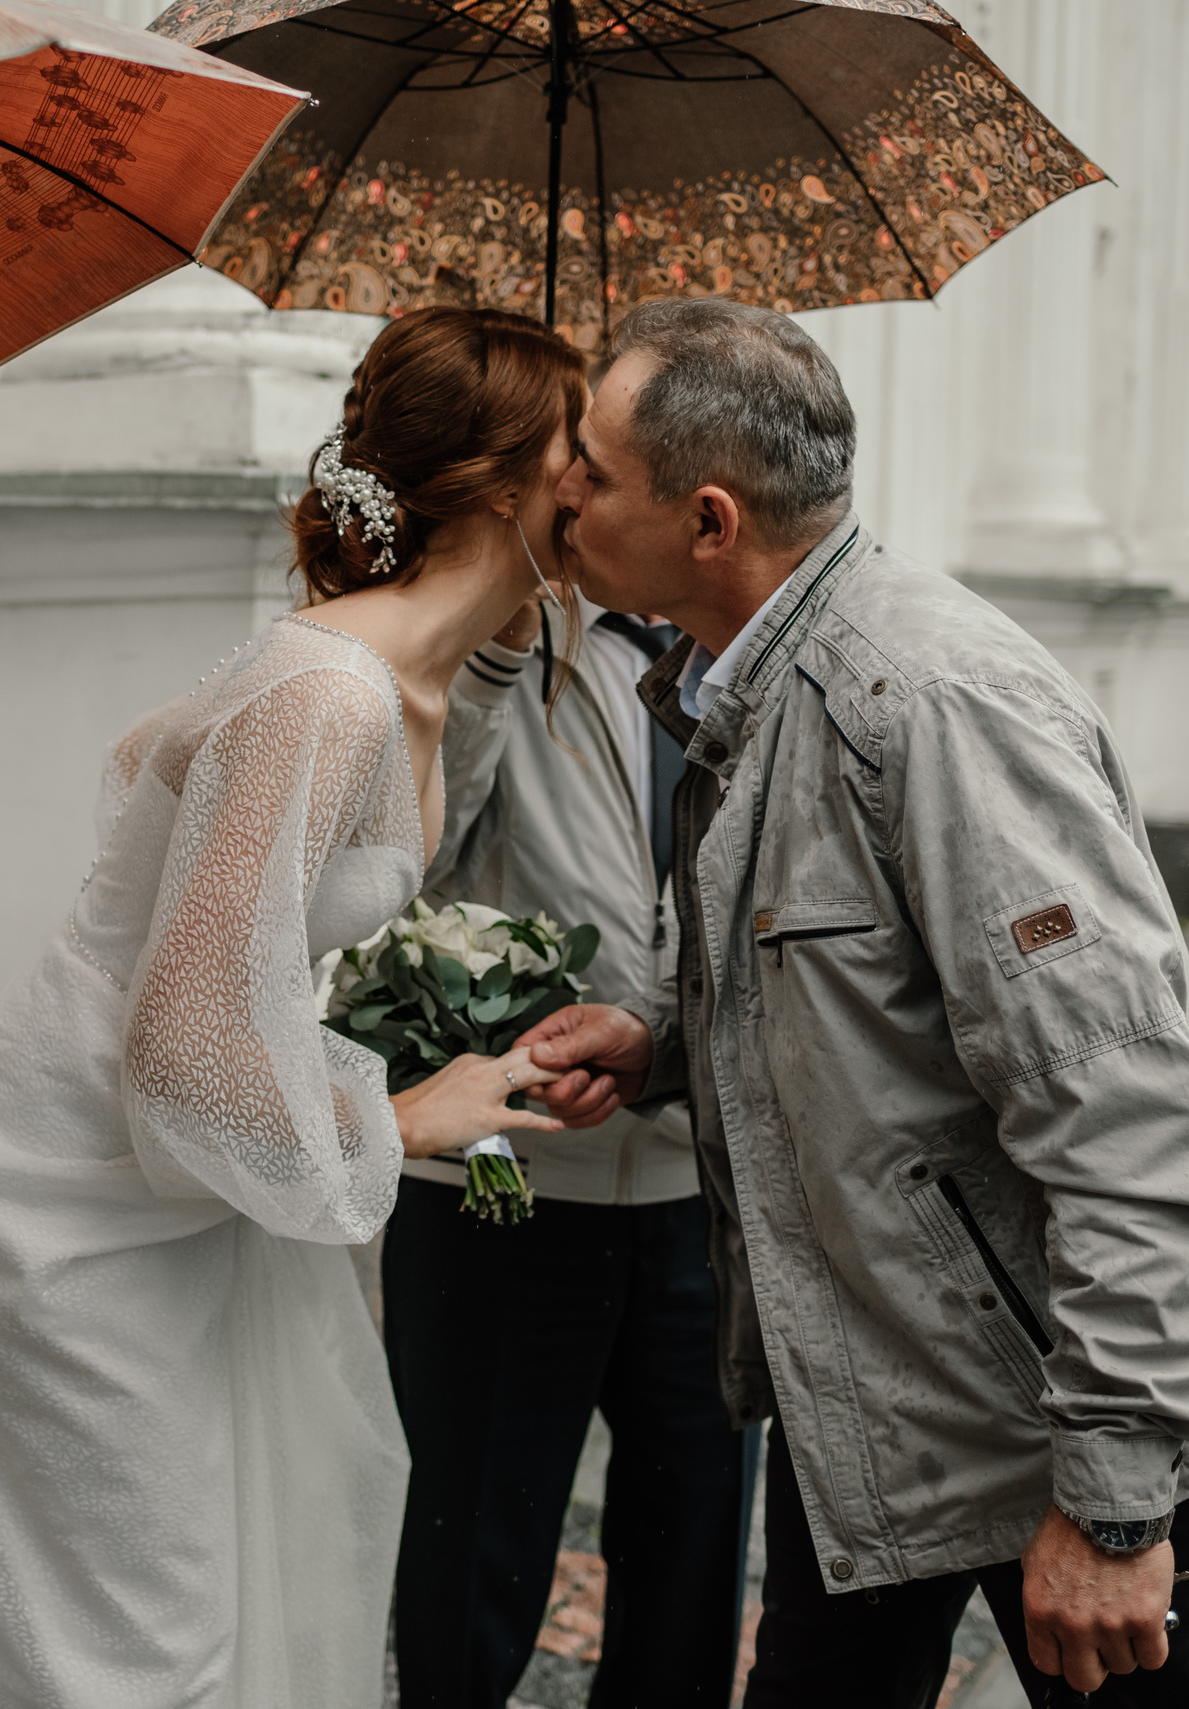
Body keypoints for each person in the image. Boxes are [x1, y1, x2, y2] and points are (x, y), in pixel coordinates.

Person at [516, 298, 1189, 1709]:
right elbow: (863, 1004)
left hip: (1053, 1417)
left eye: (589, 460)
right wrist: (665, 1049)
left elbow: (1136, 1113)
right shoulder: (740, 686)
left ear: (707, 521)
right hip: (880, 1404)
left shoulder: (933, 704)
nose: (558, 484)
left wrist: (1118, 1498)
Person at [0, 308, 587, 1705]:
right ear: (511, 481)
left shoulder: (409, 684)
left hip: (191, 1181)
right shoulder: (328, 693)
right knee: (141, 1631)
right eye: (585, 445)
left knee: (227, 1562)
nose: (608, 482)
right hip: (81, 1181)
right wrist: (401, 1116)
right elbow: (185, 1037)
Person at [391, 575, 747, 1703]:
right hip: (502, 1191)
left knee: (692, 1566)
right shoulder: (490, 629)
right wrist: (492, 663)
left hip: (706, 1191)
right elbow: (415, 861)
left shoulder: (746, 644)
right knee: (469, 1553)